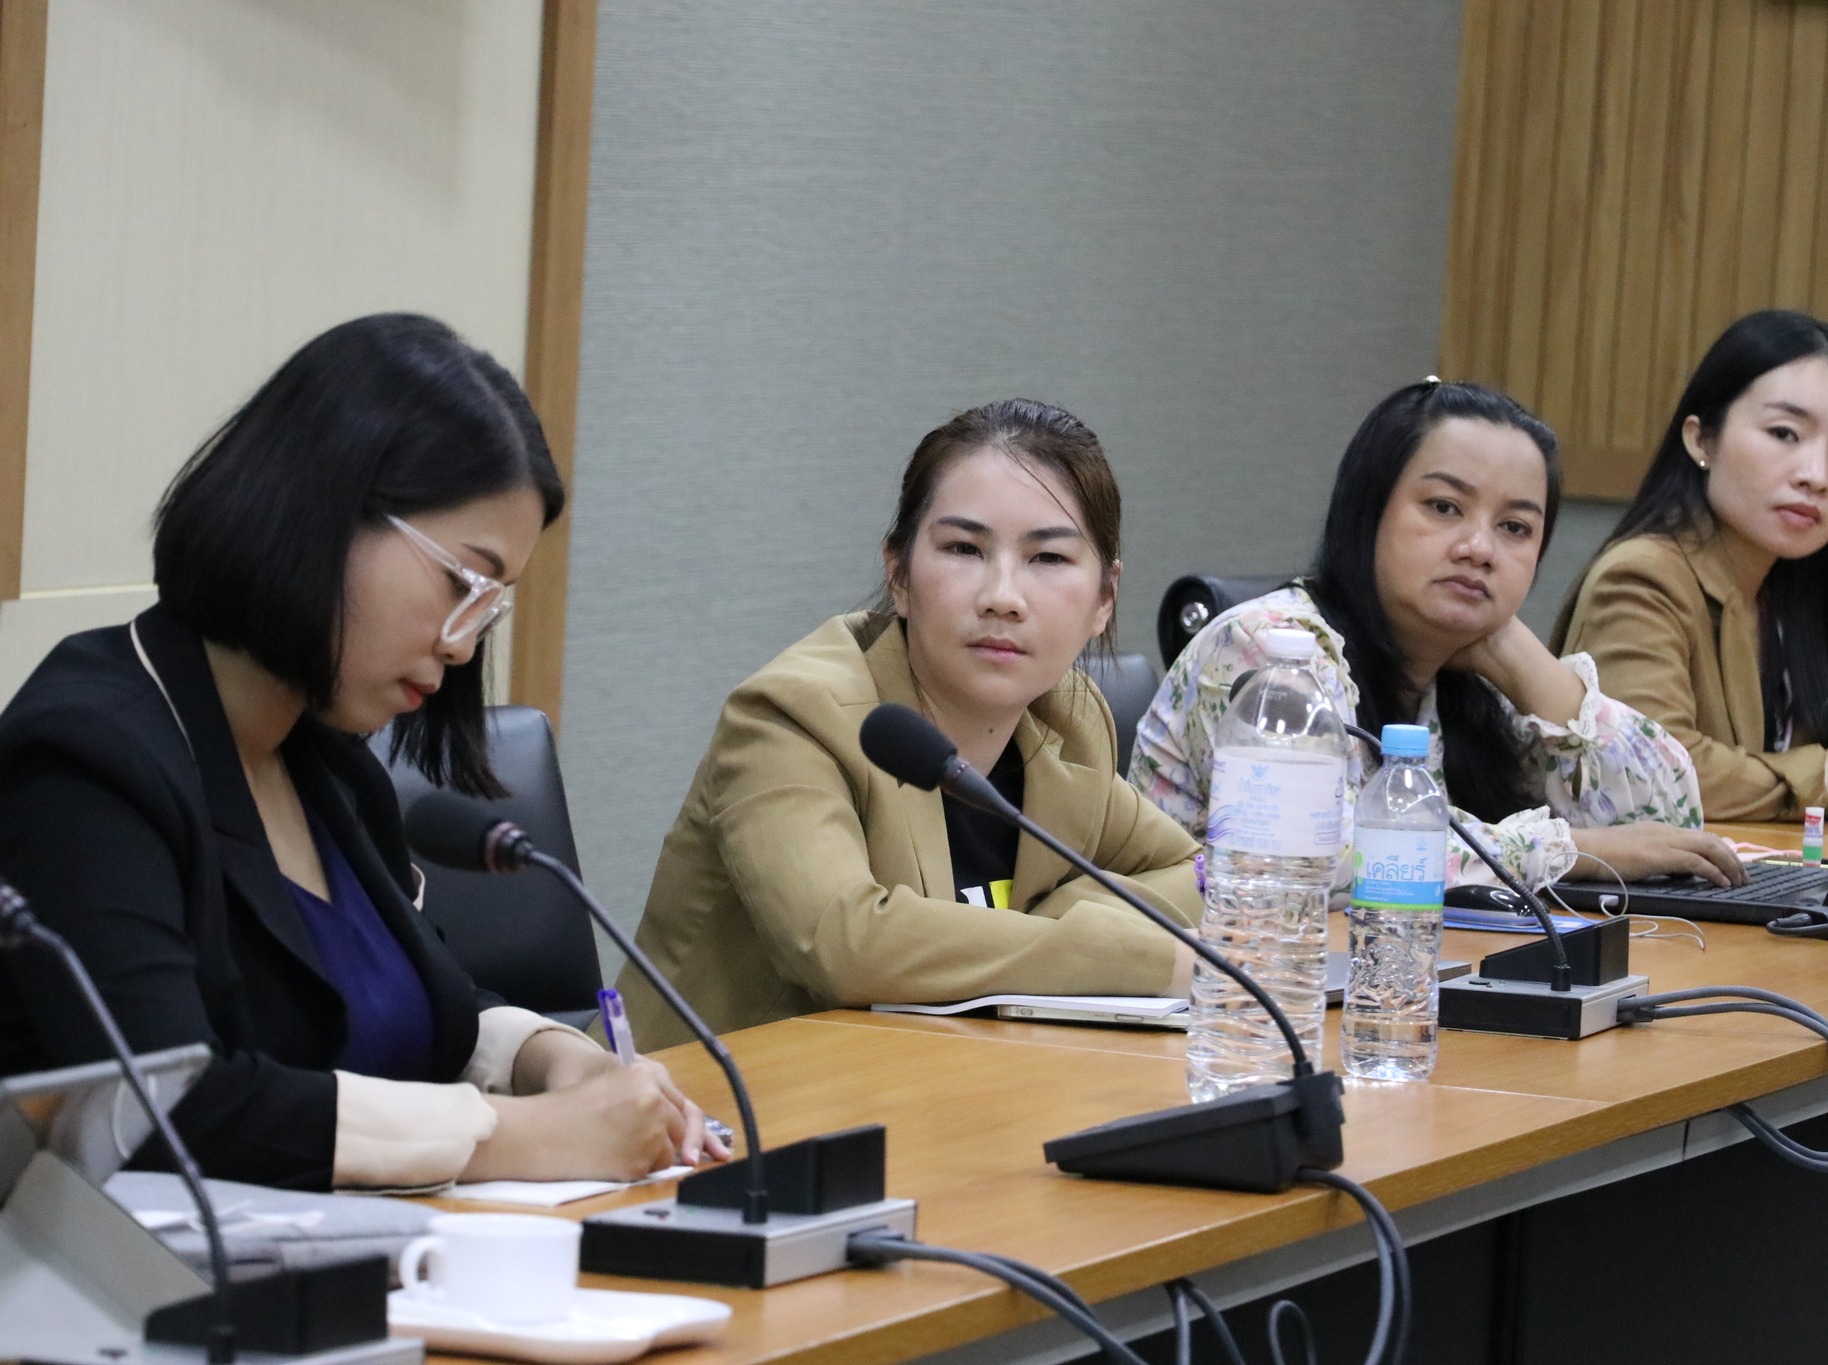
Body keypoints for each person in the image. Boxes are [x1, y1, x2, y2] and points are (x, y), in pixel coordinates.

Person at [0, 314, 723, 1191]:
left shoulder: (328, 761)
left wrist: (550, 1056)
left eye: (490, 606)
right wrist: (522, 1135)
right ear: (322, 512)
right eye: (460, 581)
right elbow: (162, 1108)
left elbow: (421, 1005)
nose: (464, 644)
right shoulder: (86, 758)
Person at [623, 398, 1203, 1043]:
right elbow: (844, 943)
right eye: (964, 548)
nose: (1003, 597)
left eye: (1048, 558)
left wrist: (1057, 919)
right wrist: (1134, 957)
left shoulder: (1065, 722)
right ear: (898, 574)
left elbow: (1199, 875)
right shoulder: (792, 717)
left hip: (941, 1078)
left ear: (1103, 600)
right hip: (706, 1094)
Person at [1131, 379, 1743, 891]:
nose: (1479, 548)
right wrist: (1568, 848)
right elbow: (1322, 855)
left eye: (1515, 528)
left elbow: (1670, 829)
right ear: (1368, 510)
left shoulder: (1469, 672)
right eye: (1445, 507)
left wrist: (1517, 656)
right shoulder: (1263, 649)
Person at [1551, 310, 1828, 821]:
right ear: (1701, 440)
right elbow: (1651, 774)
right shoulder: (1641, 579)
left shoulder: (1792, 589)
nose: (1816, 475)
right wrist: (1820, 776)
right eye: (1785, 433)